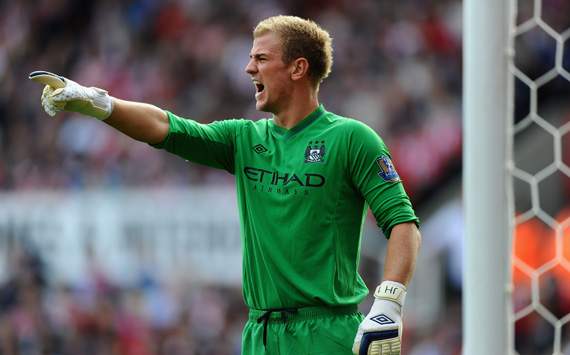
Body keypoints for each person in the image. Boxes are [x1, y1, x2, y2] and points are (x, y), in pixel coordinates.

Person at [31, 15, 421, 355]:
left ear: (298, 68)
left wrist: (389, 303)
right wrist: (99, 103)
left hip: (327, 333)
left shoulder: (351, 139)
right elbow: (166, 126)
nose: (248, 68)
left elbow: (402, 222)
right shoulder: (243, 139)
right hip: (259, 336)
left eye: (261, 59)